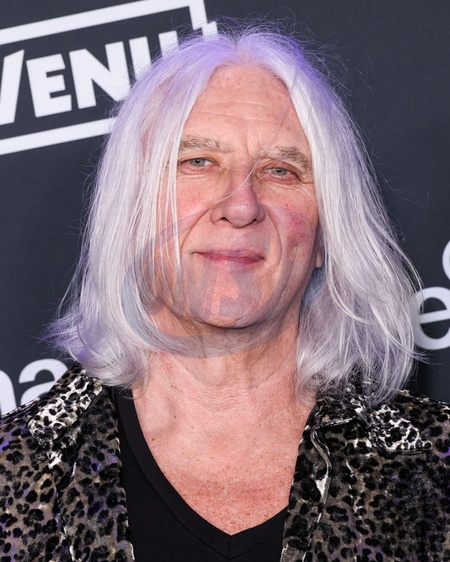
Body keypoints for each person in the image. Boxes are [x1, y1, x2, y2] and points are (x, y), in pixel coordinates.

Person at [0, 24, 449, 562]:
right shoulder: (14, 471)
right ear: (131, 208)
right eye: (198, 162)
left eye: (281, 170)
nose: (241, 206)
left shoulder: (433, 470)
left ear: (326, 233)